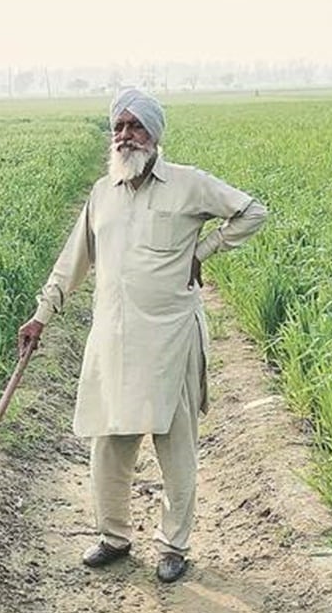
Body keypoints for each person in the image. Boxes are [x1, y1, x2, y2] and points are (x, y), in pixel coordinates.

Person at [17, 87, 268, 583]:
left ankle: (174, 545)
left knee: (176, 445)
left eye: (136, 126)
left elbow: (252, 211)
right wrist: (41, 315)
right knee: (109, 442)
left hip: (172, 337)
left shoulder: (188, 184)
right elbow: (73, 262)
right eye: (119, 126)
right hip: (113, 338)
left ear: (155, 134)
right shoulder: (100, 193)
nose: (126, 135)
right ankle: (113, 537)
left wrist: (206, 249)